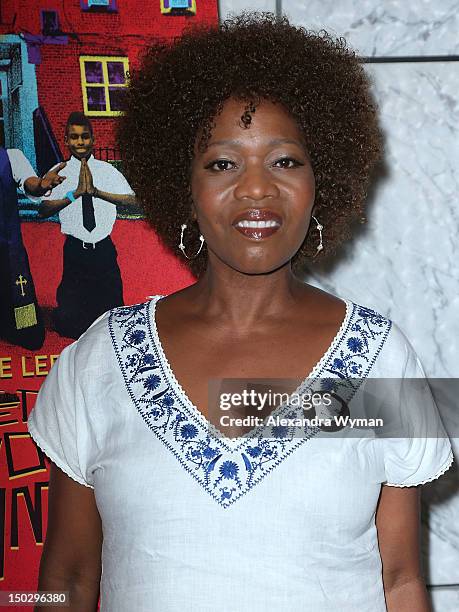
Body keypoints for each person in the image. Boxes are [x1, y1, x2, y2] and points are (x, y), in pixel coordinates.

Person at [27, 13, 453, 612]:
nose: (256, 189)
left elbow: (402, 580)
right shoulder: (98, 361)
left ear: (321, 180)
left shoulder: (380, 354)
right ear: (184, 186)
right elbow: (65, 580)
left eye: (284, 161)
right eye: (223, 163)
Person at [38, 111, 136, 339]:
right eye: (74, 137)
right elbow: (42, 210)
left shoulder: (107, 170)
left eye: (84, 137)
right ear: (66, 140)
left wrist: (97, 192)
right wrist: (74, 195)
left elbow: (133, 202)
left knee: (113, 322)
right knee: (71, 325)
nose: (79, 142)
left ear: (93, 139)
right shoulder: (58, 172)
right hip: (75, 252)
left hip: (103, 250)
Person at [0, 147, 66, 349]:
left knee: (29, 333)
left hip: (7, 252)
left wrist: (41, 185)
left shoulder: (10, 157)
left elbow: (31, 185)